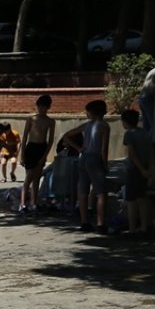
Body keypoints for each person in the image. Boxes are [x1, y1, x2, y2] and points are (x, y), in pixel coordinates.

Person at [61, 99, 110, 232]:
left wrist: (79, 148)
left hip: (84, 158)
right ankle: (100, 223)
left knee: (82, 191)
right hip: (95, 158)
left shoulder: (86, 126)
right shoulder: (104, 126)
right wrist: (105, 164)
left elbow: (66, 136)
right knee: (101, 192)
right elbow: (104, 149)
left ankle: (84, 222)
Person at [18, 94, 54, 215]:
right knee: (29, 176)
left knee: (37, 177)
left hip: (41, 148)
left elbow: (51, 140)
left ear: (48, 107)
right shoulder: (31, 119)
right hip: (31, 147)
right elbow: (24, 138)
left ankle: (34, 203)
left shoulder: (50, 121)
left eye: (44, 106)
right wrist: (22, 155)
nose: (41, 109)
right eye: (39, 106)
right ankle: (22, 204)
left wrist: (44, 156)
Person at [120, 109, 152, 236]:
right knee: (142, 198)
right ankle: (144, 227)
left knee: (131, 200)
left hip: (135, 169)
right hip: (144, 166)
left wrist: (141, 169)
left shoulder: (129, 134)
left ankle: (132, 229)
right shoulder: (144, 132)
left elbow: (132, 154)